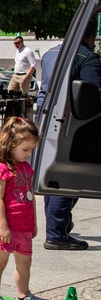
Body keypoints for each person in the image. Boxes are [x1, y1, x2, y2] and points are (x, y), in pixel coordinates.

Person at [39, 24, 101, 251]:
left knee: (52, 173)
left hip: (45, 116)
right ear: (90, 35)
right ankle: (56, 233)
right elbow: (92, 93)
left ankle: (57, 226)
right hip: (72, 121)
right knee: (69, 175)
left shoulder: (50, 53)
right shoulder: (87, 57)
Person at [0, 116, 49, 300]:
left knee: (24, 262)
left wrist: (34, 222)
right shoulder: (2, 169)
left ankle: (23, 295)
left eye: (31, 150)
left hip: (23, 227)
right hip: (5, 227)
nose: (28, 154)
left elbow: (30, 197)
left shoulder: (26, 168)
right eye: (25, 149)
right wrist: (3, 227)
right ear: (11, 144)